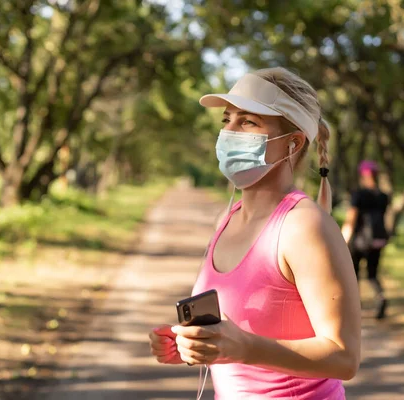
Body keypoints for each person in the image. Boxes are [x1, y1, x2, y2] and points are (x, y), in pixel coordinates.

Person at [149, 68, 361, 399]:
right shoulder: (228, 217)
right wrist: (196, 344)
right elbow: (241, 333)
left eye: (248, 122)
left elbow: (344, 358)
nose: (228, 132)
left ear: (292, 143)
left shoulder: (304, 226)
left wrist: (244, 348)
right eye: (226, 120)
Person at [341, 160, 389, 320]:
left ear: (363, 175)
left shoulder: (358, 194)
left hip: (359, 242)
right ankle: (381, 297)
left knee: (354, 275)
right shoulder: (383, 196)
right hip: (377, 241)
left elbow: (351, 220)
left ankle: (355, 308)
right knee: (372, 274)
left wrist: (342, 241)